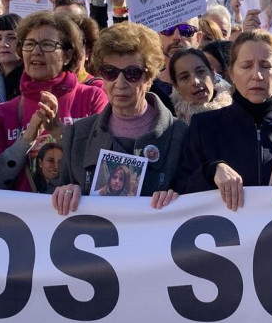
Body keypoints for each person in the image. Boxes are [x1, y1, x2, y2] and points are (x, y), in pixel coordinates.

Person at [176, 29, 272, 210]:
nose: (257, 75)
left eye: (265, 66)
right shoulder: (203, 127)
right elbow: (181, 195)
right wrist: (209, 172)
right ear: (232, 73)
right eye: (246, 66)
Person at [51, 22, 187, 213]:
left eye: (132, 73)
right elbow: (55, 198)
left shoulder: (179, 134)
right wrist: (65, 191)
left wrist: (177, 198)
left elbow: (194, 200)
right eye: (110, 72)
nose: (120, 83)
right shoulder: (79, 134)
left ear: (149, 79)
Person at [0, 11, 108, 192]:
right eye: (29, 44)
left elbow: (103, 172)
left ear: (67, 56)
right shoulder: (5, 112)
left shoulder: (93, 98)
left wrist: (59, 131)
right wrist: (26, 139)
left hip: (74, 215)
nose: (36, 51)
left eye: (47, 45)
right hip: (23, 217)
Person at [167, 47, 231, 122]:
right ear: (176, 85)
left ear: (213, 73)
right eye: (185, 77)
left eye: (200, 72)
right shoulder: (171, 123)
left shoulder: (237, 110)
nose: (195, 81)